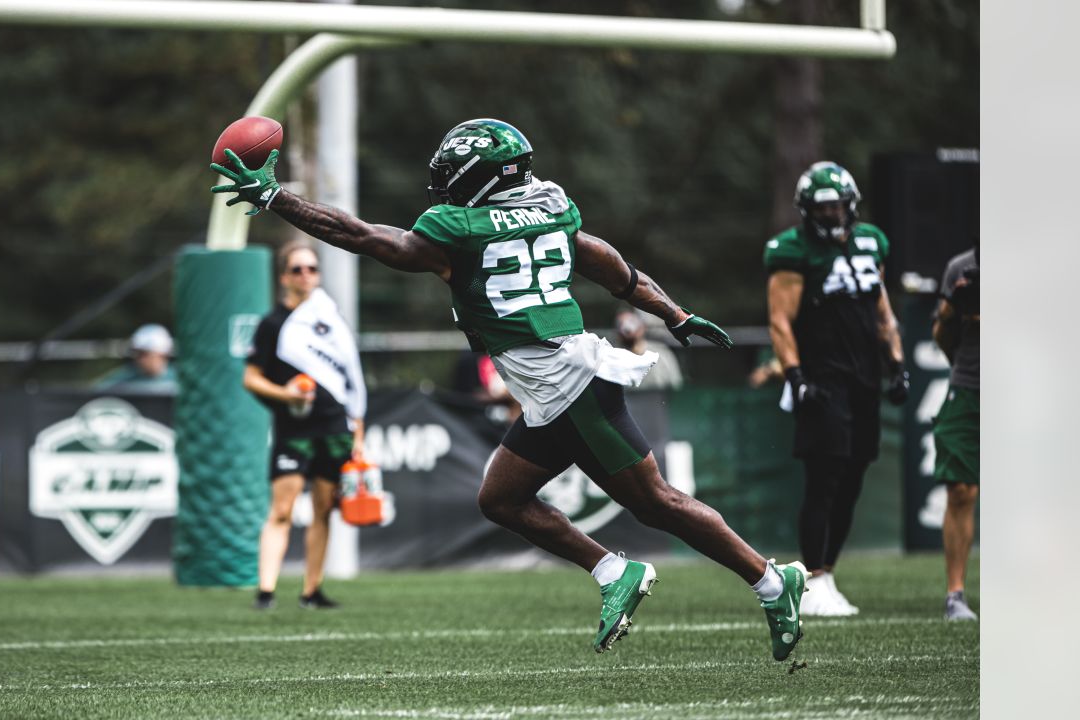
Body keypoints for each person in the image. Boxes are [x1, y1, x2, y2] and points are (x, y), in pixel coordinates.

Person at [213, 118, 808, 661]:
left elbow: (366, 238)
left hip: (569, 385)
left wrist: (276, 198)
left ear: (477, 178)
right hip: (553, 391)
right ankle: (611, 572)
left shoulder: (460, 230)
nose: (442, 184)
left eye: (452, 174)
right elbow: (609, 265)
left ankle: (771, 581)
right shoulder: (550, 208)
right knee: (500, 499)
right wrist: (673, 314)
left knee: (656, 503)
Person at [764, 161, 909, 617]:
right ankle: (811, 579)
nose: (831, 215)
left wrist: (898, 364)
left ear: (851, 205)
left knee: (852, 477)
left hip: (864, 375)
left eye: (837, 206)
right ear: (807, 211)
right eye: (822, 207)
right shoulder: (792, 251)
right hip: (823, 376)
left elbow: (881, 307)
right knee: (824, 478)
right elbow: (780, 319)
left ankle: (828, 570)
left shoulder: (871, 242)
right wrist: (795, 376)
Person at [244, 240, 367, 611]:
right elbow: (251, 378)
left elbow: (351, 382)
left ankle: (311, 591)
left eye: (312, 268)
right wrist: (286, 395)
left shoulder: (331, 321)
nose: (306, 275)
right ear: (284, 277)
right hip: (294, 431)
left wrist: (358, 435)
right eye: (297, 269)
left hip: (333, 429)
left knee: (323, 510)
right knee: (281, 510)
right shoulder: (272, 324)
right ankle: (266, 592)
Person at [932, 245, 979, 621]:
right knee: (960, 489)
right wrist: (953, 311)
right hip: (969, 386)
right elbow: (941, 336)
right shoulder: (960, 267)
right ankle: (955, 594)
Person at [94, 323, 179, 392]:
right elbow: (96, 392)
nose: (139, 359)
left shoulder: (180, 379)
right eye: (137, 353)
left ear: (162, 354)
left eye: (144, 354)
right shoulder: (124, 379)